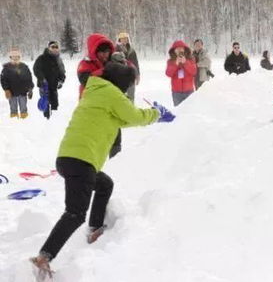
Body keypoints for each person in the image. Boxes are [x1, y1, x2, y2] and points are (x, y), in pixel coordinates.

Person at [30, 63, 175, 279]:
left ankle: (95, 228)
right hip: (81, 161)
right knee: (75, 214)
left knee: (105, 184)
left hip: (70, 159)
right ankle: (43, 258)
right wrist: (156, 114)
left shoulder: (96, 92)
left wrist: (153, 116)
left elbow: (122, 119)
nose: (126, 91)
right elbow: (133, 116)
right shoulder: (111, 93)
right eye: (127, 86)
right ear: (121, 83)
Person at [33, 41, 66, 119]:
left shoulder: (59, 59)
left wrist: (61, 81)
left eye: (56, 47)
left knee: (55, 104)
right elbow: (36, 69)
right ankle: (46, 119)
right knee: (46, 105)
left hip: (54, 85)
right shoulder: (41, 58)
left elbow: (62, 71)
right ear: (49, 48)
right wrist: (42, 78)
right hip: (44, 85)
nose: (54, 49)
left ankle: (54, 120)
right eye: (52, 47)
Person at [1, 48, 34, 118]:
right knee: (13, 108)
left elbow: (29, 79)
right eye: (13, 57)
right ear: (10, 57)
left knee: (23, 107)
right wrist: (6, 90)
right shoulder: (6, 68)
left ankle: (24, 118)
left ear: (19, 57)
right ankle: (14, 118)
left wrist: (30, 89)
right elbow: (3, 80)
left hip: (23, 92)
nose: (15, 58)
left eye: (17, 57)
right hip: (11, 92)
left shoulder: (24, 67)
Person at [165, 40, 197, 106]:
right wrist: (175, 64)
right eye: (177, 49)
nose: (179, 51)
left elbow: (194, 72)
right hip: (176, 92)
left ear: (185, 50)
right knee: (178, 111)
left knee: (190, 110)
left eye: (181, 49)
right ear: (174, 51)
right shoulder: (170, 61)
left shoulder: (191, 60)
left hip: (189, 91)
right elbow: (168, 74)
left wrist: (185, 62)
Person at [116, 32, 140, 102]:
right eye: (122, 39)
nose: (124, 40)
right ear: (119, 40)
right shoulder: (116, 50)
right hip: (120, 77)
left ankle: (131, 110)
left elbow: (136, 63)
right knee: (121, 97)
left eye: (126, 38)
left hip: (131, 75)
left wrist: (137, 75)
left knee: (131, 96)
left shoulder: (132, 50)